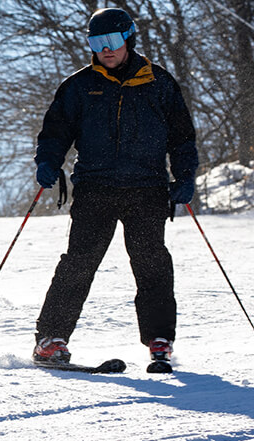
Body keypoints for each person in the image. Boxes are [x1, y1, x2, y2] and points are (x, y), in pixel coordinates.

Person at [31, 8, 198, 370]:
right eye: (95, 42)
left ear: (129, 39)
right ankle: (50, 338)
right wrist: (48, 160)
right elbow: (56, 131)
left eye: (111, 41)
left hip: (147, 189)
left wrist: (185, 176)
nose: (104, 50)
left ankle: (159, 340)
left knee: (151, 263)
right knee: (79, 262)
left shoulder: (159, 83)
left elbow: (182, 138)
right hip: (96, 187)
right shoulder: (79, 85)